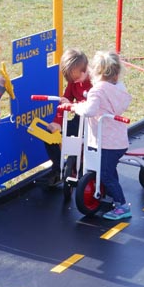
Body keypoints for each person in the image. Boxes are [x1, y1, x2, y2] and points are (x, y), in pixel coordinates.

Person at [72, 50, 133, 220]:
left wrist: (76, 107)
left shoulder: (97, 91)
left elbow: (90, 111)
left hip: (105, 142)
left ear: (96, 71)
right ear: (116, 72)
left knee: (105, 173)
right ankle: (112, 195)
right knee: (109, 170)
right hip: (118, 141)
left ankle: (122, 205)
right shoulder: (119, 89)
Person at [39, 48, 93, 188]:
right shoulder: (73, 82)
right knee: (50, 134)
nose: (74, 82)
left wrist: (73, 105)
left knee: (84, 145)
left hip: (93, 124)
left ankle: (82, 167)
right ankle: (58, 168)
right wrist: (57, 122)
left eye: (76, 78)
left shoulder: (95, 83)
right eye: (71, 80)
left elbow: (93, 106)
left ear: (85, 70)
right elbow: (64, 101)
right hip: (79, 120)